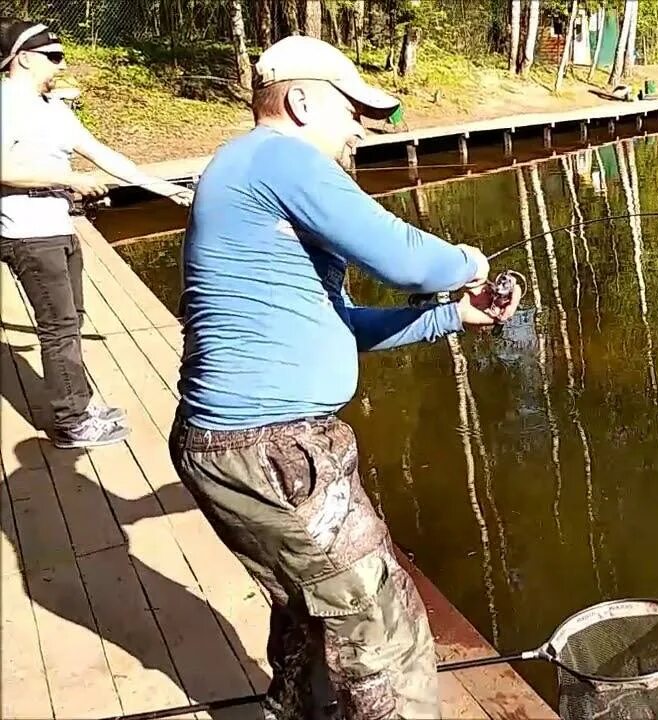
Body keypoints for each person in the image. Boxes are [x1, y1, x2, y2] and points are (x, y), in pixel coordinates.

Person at [168, 34, 520, 719]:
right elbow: (412, 260)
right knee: (381, 626)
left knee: (310, 609)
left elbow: (341, 324)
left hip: (244, 448)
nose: (360, 127)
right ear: (300, 101)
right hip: (272, 449)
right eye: (351, 108)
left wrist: (453, 317)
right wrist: (466, 264)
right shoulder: (279, 156)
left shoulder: (251, 176)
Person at [0, 18, 193, 448]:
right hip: (27, 233)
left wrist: (161, 188)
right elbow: (3, 169)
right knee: (59, 326)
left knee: (72, 319)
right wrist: (68, 179)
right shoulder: (7, 103)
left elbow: (102, 153)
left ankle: (78, 404)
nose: (60, 64)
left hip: (57, 227)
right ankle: (71, 423)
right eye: (53, 57)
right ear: (24, 59)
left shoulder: (51, 109)